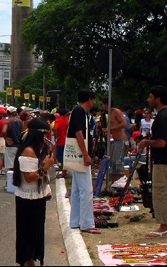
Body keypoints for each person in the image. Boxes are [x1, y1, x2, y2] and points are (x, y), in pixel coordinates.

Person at [140, 85, 167, 238]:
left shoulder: (162, 116)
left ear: (157, 99)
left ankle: (163, 226)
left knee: (162, 192)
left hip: (163, 160)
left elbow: (161, 142)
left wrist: (147, 142)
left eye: (150, 97)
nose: (148, 100)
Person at [13, 117, 55, 266]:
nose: (46, 139)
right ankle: (27, 262)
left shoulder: (35, 150)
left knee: (35, 233)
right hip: (28, 200)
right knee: (28, 235)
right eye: (44, 136)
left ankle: (30, 261)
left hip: (37, 197)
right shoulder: (28, 151)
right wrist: (46, 167)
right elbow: (29, 177)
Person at [68, 89, 100, 234]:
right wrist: (85, 154)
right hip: (80, 155)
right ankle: (87, 223)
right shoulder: (80, 111)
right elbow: (79, 133)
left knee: (76, 190)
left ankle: (75, 221)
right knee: (86, 190)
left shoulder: (78, 111)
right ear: (90, 99)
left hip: (77, 155)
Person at [102, 96, 129, 189]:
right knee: (113, 162)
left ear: (106, 104)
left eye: (102, 104)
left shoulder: (116, 112)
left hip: (121, 140)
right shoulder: (110, 114)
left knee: (117, 162)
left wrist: (110, 129)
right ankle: (114, 184)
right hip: (116, 141)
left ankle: (120, 184)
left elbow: (124, 124)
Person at [2, 106, 22, 176]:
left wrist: (6, 138)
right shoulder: (19, 121)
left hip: (11, 146)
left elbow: (4, 131)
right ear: (14, 113)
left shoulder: (7, 121)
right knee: (18, 165)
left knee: (11, 167)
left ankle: (10, 183)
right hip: (19, 145)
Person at [53, 108, 69, 178]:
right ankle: (64, 169)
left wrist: (56, 137)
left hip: (60, 140)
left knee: (61, 157)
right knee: (65, 156)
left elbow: (55, 128)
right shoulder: (68, 120)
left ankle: (64, 172)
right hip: (67, 140)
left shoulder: (58, 120)